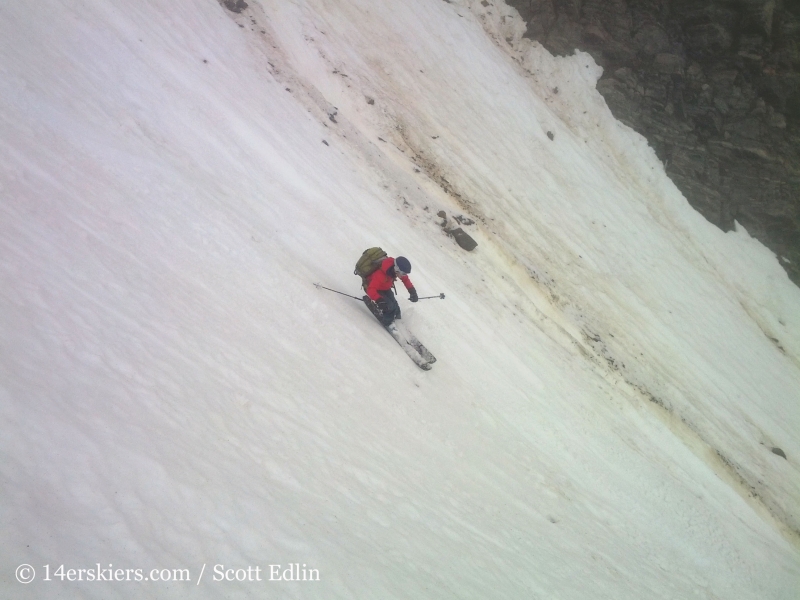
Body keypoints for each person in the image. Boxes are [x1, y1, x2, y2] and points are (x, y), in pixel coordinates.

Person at [363, 256, 418, 326]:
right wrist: (379, 300)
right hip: (375, 289)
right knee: (389, 307)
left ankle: (398, 321)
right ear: (397, 269)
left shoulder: (395, 271)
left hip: (385, 288)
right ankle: (388, 322)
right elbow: (370, 289)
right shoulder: (380, 274)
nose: (404, 275)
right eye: (403, 273)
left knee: (396, 309)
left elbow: (406, 280)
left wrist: (413, 292)